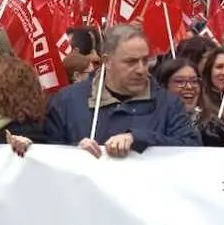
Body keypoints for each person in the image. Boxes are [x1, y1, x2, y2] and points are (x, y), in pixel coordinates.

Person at [44, 24, 200, 157]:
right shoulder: (67, 101)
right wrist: (74, 151)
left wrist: (139, 138)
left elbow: (191, 148)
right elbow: (45, 153)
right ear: (107, 61)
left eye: (145, 61)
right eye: (131, 62)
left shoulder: (168, 104)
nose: (141, 69)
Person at [155, 57, 201, 126]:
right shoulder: (151, 123)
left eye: (194, 81)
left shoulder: (210, 126)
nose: (189, 87)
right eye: (180, 82)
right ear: (163, 86)